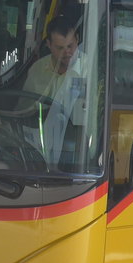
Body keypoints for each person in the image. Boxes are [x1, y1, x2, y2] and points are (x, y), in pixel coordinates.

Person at [24, 15, 87, 165]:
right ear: (49, 44)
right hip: (37, 148)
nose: (67, 53)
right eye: (60, 48)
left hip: (76, 150)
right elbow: (23, 109)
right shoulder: (37, 70)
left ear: (77, 40)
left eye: (70, 46)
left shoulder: (90, 69)